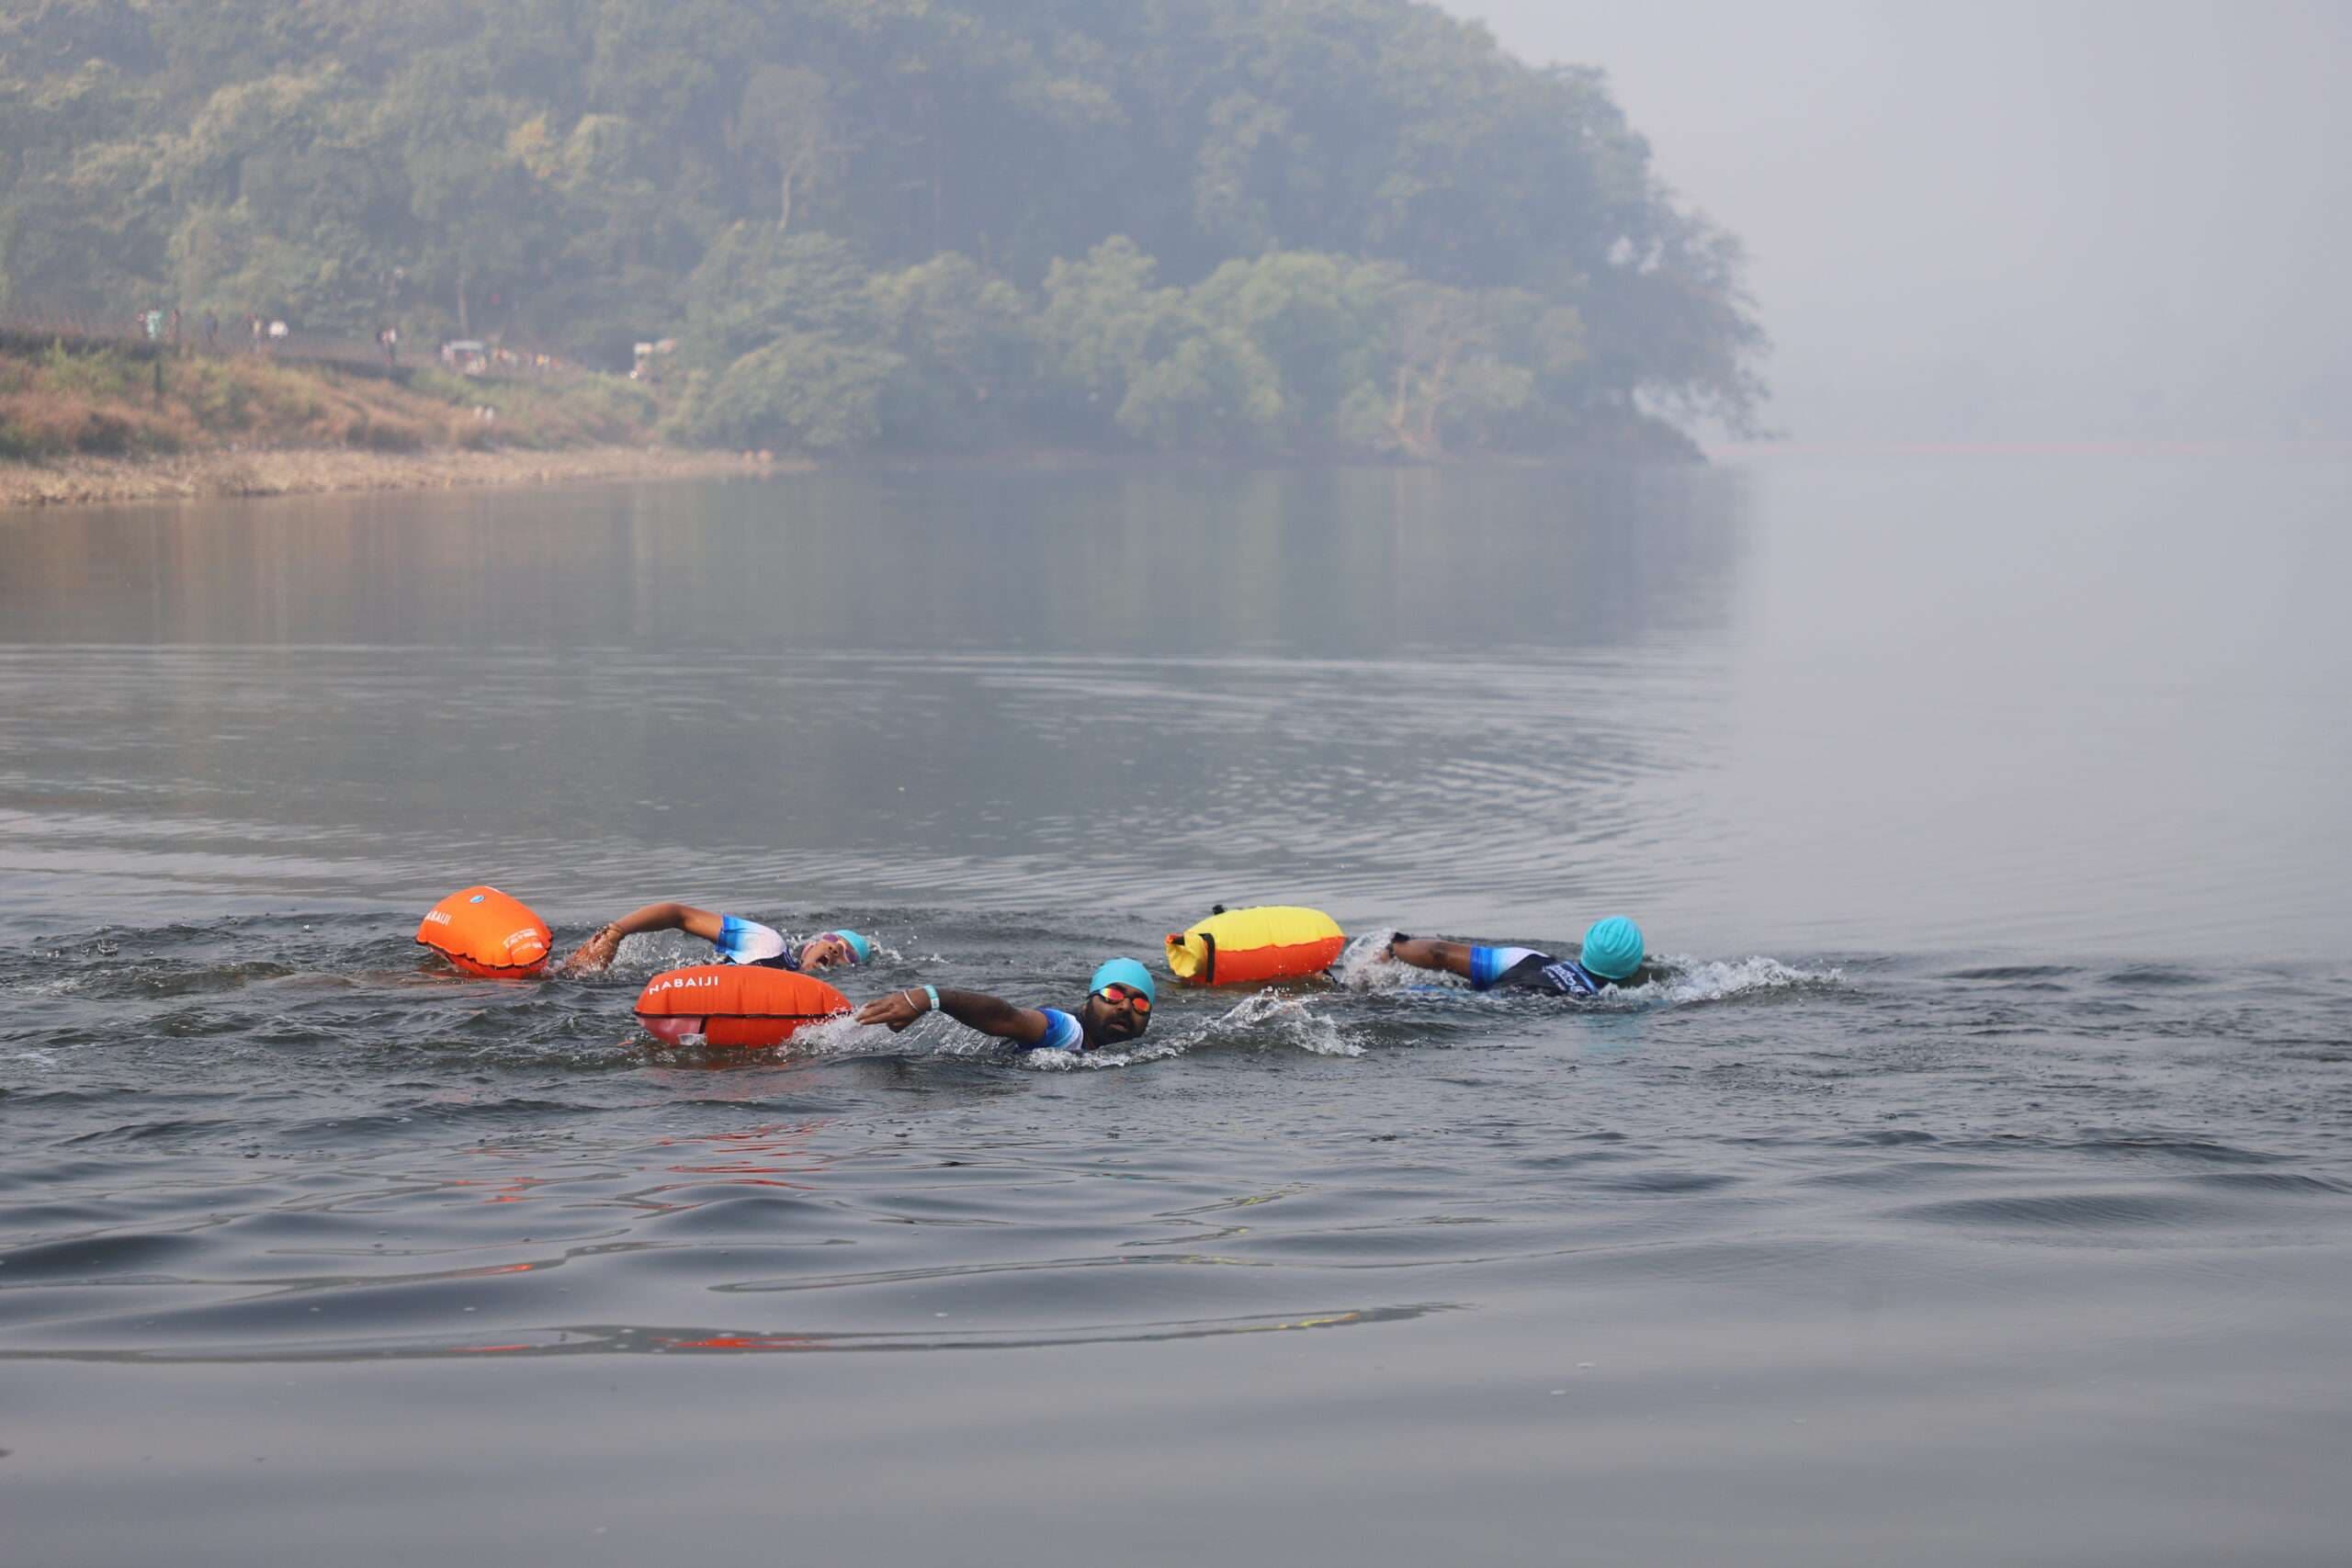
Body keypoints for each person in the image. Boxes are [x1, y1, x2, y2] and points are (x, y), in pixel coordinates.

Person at [854, 957, 1155, 1055]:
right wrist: (930, 998)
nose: (1126, 1007)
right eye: (1113, 995)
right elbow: (1007, 1017)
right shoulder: (1065, 1030)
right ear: (1088, 1002)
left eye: (1140, 1003)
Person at [557, 901, 873, 978]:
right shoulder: (768, 944)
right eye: (833, 941)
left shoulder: (812, 1009)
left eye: (847, 955)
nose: (835, 948)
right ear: (810, 945)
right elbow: (677, 914)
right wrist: (614, 934)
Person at [1382, 915, 1650, 998]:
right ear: (1633, 965)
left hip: (1459, 1000)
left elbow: (1438, 953)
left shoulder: (1528, 958)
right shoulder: (1609, 1000)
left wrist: (1390, 948)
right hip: (1485, 1010)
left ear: (1588, 944)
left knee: (1390, 995)